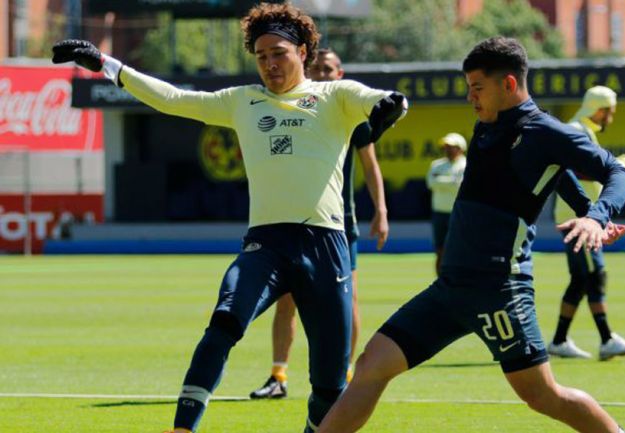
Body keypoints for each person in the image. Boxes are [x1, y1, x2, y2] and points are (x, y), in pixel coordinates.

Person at [51, 4, 407, 433]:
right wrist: (107, 64)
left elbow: (385, 100)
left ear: (303, 50)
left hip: (325, 246)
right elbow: (173, 98)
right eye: (261, 56)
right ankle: (182, 428)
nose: (270, 64)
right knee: (223, 323)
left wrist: (391, 106)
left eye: (279, 53)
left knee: (329, 386)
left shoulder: (336, 96)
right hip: (265, 246)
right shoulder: (243, 101)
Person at [315, 37, 625, 433]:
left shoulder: (547, 130)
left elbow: (618, 172)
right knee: (370, 366)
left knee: (543, 395)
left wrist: (597, 216)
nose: (470, 97)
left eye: (476, 88)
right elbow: (555, 171)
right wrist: (584, 207)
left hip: (499, 289)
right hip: (450, 289)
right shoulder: (489, 124)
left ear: (510, 85)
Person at [250, 48, 389, 399]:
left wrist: (381, 211)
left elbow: (370, 165)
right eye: (317, 68)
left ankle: (342, 374)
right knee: (286, 301)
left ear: (340, 73)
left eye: (328, 68)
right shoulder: (292, 107)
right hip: (292, 223)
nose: (322, 73)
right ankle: (278, 376)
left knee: (347, 301)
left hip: (339, 225)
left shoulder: (349, 111)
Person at [548, 85, 625, 361]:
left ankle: (562, 340)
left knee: (585, 277)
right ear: (601, 110)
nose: (612, 118)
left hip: (580, 217)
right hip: (580, 219)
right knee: (593, 275)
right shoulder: (577, 130)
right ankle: (604, 339)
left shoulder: (582, 130)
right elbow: (583, 171)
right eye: (611, 111)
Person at [426, 132, 467, 274]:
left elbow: (459, 186)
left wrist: (441, 180)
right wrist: (450, 181)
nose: (448, 150)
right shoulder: (436, 164)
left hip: (458, 213)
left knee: (458, 249)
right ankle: (440, 281)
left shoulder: (466, 165)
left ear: (460, 148)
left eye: (451, 147)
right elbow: (431, 183)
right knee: (440, 250)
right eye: (446, 147)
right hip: (439, 213)